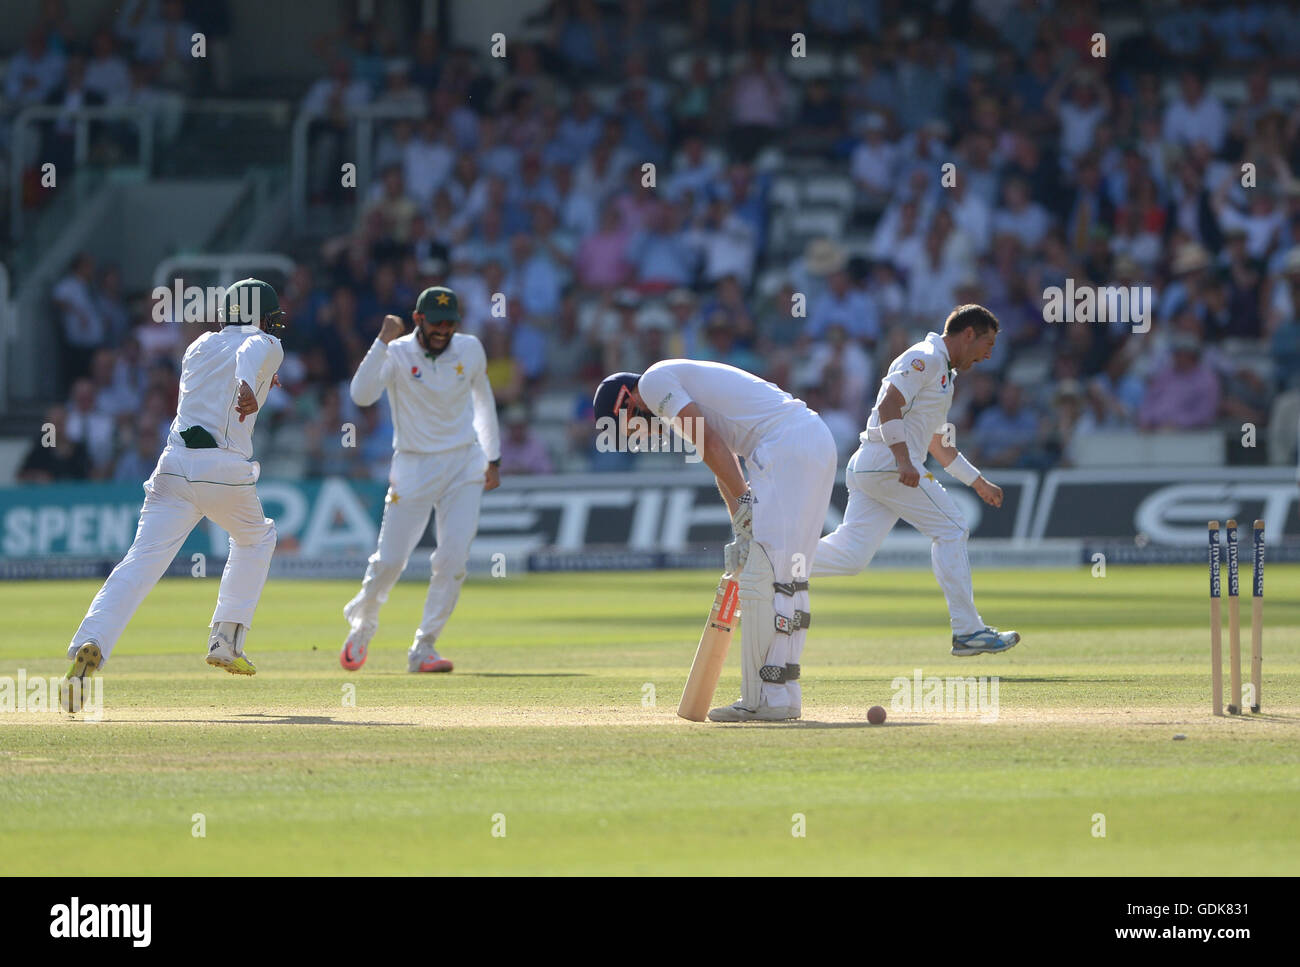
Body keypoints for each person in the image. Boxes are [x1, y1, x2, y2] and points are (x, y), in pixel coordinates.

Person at [63, 279, 286, 710]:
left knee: (140, 562)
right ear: (261, 316)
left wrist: (251, 382)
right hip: (223, 469)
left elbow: (233, 358)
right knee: (257, 537)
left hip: (173, 466)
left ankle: (90, 642)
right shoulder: (265, 343)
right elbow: (250, 350)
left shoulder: (199, 345)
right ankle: (226, 638)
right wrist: (246, 383)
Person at [593, 359, 838, 722]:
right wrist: (740, 524)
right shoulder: (673, 388)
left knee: (763, 575)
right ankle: (783, 694)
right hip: (812, 441)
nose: (638, 436)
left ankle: (762, 699)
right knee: (788, 576)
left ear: (626, 402)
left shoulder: (655, 383)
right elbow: (718, 457)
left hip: (785, 447)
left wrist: (744, 505)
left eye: (628, 428)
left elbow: (711, 444)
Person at [813, 304, 1021, 656]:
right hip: (887, 464)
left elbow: (938, 443)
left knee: (851, 556)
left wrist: (978, 482)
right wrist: (903, 459)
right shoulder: (924, 357)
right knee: (952, 528)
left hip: (874, 467)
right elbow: (887, 407)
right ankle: (968, 631)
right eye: (987, 344)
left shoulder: (944, 374)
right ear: (968, 334)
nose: (988, 356)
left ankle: (773, 560)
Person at [341, 286, 501, 673]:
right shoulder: (395, 353)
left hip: (464, 462)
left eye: (450, 322)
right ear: (418, 319)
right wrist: (382, 340)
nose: (444, 329)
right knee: (391, 560)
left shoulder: (470, 349)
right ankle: (363, 624)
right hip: (413, 465)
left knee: (453, 559)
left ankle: (424, 647)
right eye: (436, 322)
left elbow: (483, 401)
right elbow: (361, 395)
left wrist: (493, 457)